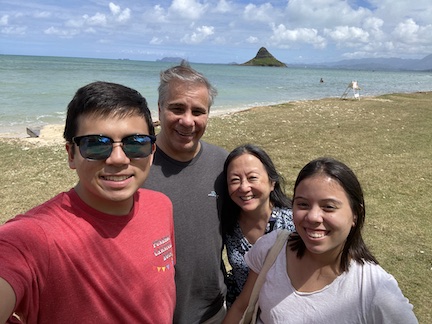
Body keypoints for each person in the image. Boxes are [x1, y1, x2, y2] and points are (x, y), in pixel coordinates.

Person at [0, 81, 176, 323]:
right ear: (71, 154)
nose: (117, 158)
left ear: (152, 150)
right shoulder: (33, 238)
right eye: (95, 144)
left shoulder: (161, 206)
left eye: (135, 143)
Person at [224, 157, 418, 323]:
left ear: (355, 215)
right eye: (303, 204)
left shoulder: (376, 289)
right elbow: (242, 307)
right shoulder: (271, 249)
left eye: (329, 207)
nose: (313, 217)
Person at [143, 61, 228, 323]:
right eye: (177, 108)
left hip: (212, 312)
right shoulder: (135, 165)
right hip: (149, 313)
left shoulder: (223, 164)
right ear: (159, 109)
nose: (187, 121)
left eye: (198, 111)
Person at [222, 144, 295, 307]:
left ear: (272, 182)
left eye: (252, 178)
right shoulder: (227, 225)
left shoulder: (294, 223)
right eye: (235, 180)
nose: (244, 187)